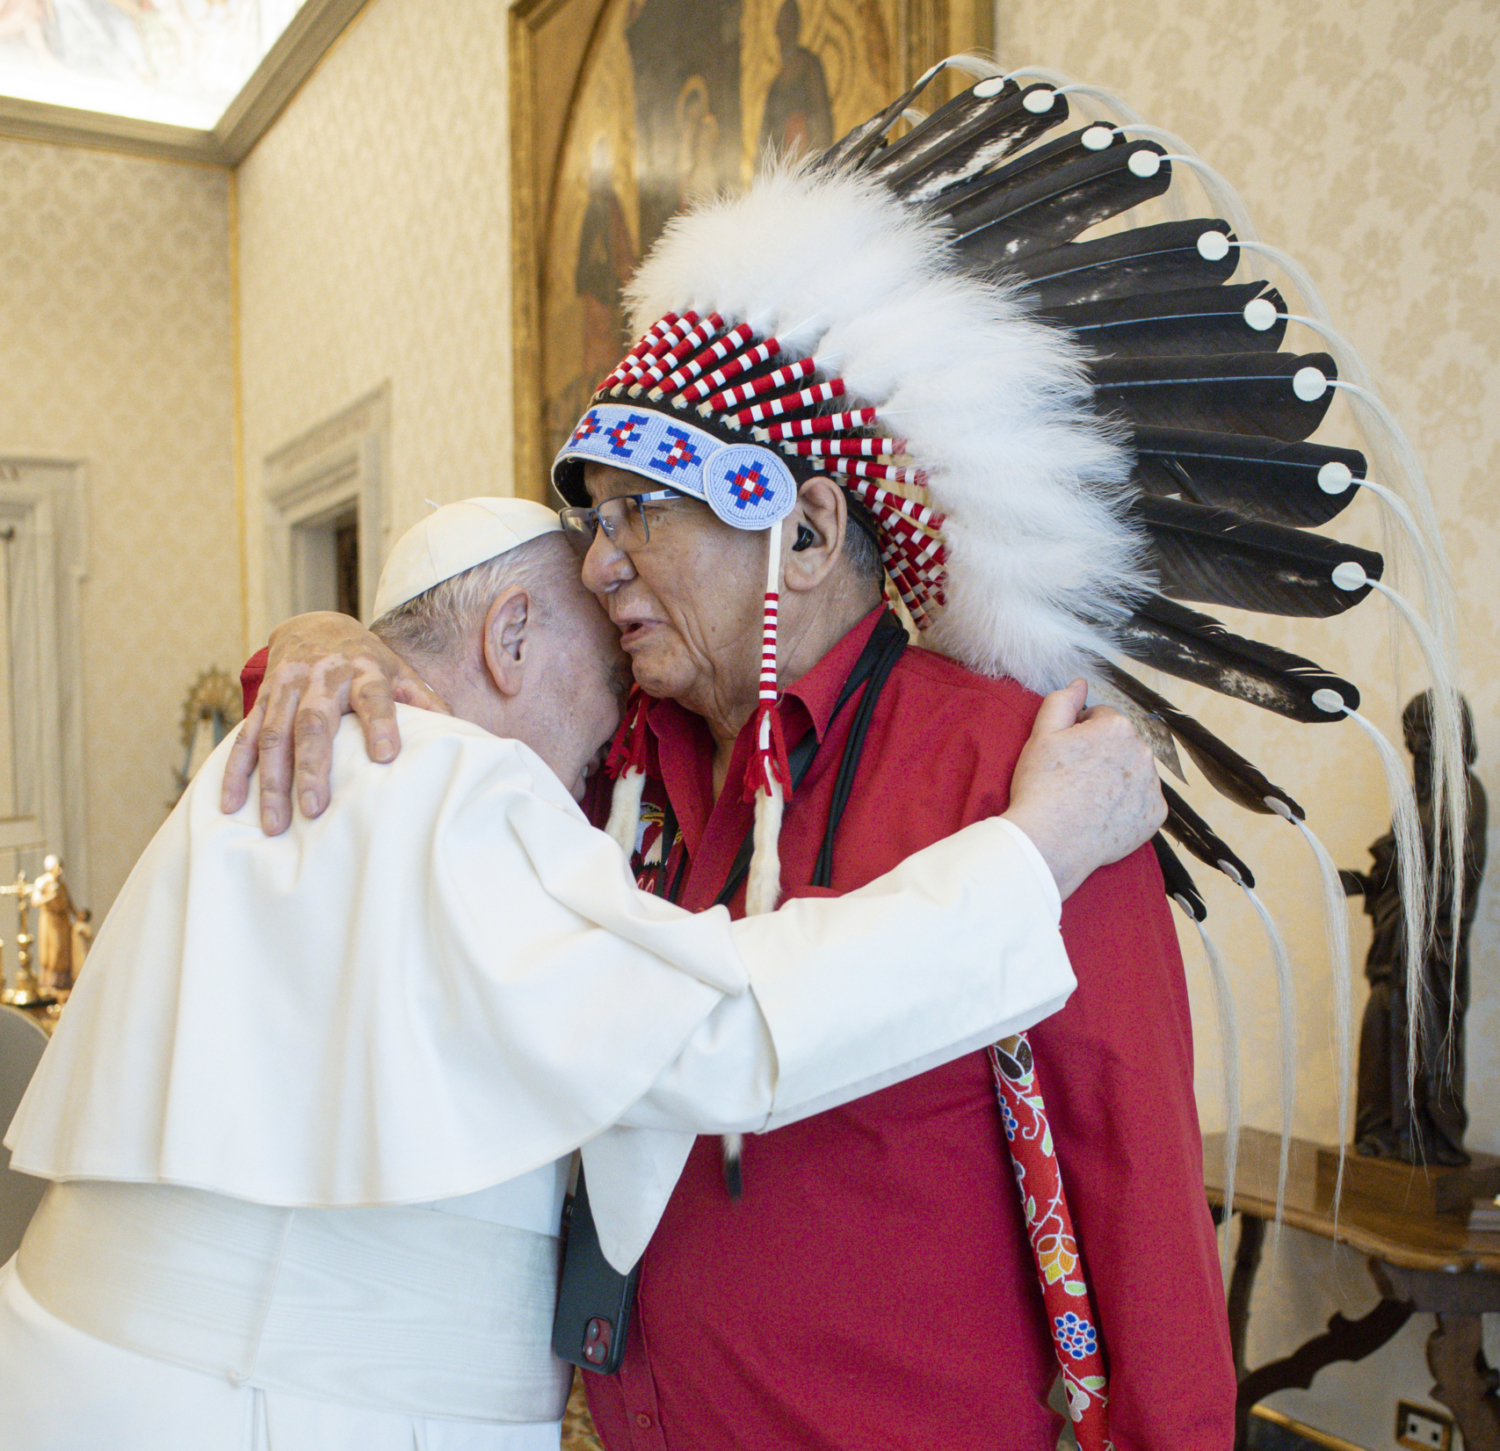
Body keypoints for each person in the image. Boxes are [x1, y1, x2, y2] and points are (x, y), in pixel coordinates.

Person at [0, 497, 1163, 1451]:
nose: (621, 739)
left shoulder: (273, 759)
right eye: (609, 684)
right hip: (271, 1409)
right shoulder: (449, 780)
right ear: (510, 637)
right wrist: (1034, 852)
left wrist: (312, 629)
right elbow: (718, 1034)